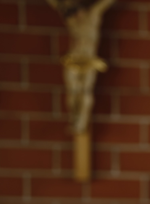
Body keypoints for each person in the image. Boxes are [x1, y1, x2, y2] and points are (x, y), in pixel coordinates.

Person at [48, 0, 115, 134]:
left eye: (78, 11)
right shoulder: (72, 21)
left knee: (85, 91)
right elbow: (58, 5)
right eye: (74, 13)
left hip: (89, 60)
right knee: (73, 90)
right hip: (74, 59)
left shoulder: (93, 17)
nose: (77, 16)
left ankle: (82, 121)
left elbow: (104, 4)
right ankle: (74, 118)